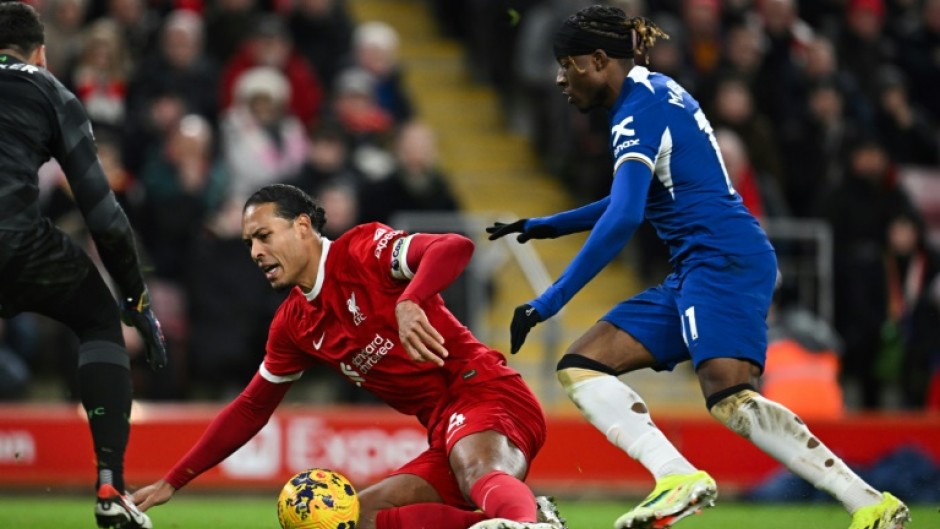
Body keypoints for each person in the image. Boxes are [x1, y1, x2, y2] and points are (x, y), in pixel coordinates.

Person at [486, 6, 910, 529]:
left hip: (722, 258)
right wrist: (548, 225)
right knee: (582, 364)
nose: (559, 78)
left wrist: (549, 300)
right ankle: (676, 476)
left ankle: (866, 501)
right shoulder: (656, 90)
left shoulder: (635, 112)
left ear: (597, 60)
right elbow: (638, 196)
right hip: (700, 263)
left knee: (729, 394)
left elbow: (626, 216)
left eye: (566, 64)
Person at [131, 184, 565, 529]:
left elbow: (453, 247)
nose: (255, 252)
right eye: (249, 243)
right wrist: (174, 480)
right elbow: (250, 408)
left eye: (264, 236)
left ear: (302, 227)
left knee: (477, 470)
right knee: (356, 519)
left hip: (485, 390)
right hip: (443, 427)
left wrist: (410, 300)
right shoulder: (294, 324)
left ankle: (521, 521)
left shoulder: (362, 248)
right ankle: (528, 519)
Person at [0, 3, 168, 529]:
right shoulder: (50, 90)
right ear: (41, 53)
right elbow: (104, 215)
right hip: (17, 242)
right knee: (98, 319)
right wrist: (136, 299)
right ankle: (110, 486)